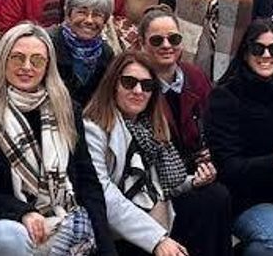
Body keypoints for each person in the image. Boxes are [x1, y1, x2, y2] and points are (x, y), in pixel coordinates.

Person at [0, 23, 113, 256]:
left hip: (61, 220)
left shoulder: (65, 110)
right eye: (17, 58)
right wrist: (21, 212)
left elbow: (87, 181)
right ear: (2, 60)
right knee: (9, 236)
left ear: (48, 66)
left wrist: (106, 247)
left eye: (37, 60)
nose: (26, 67)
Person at [84, 51, 234, 256]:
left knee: (213, 197)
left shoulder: (147, 126)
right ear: (113, 84)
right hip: (120, 229)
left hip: (157, 214)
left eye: (147, 85)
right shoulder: (94, 128)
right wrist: (157, 239)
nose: (138, 91)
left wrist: (194, 181)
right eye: (129, 82)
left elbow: (160, 184)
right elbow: (104, 195)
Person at [205, 21, 273, 256]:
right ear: (245, 52)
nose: (266, 55)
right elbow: (227, 166)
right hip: (249, 198)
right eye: (258, 48)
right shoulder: (225, 97)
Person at [136, 6, 213, 160]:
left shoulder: (196, 76)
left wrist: (212, 150)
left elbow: (216, 123)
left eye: (174, 39)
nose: (166, 45)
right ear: (141, 43)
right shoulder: (136, 84)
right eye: (157, 40)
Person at [53, 0, 116, 107]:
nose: (89, 20)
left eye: (97, 15)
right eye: (82, 12)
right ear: (68, 14)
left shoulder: (106, 54)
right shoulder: (49, 43)